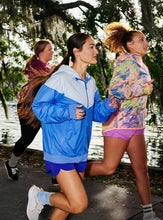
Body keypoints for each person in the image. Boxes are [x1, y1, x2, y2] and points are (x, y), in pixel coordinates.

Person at [26, 33, 117, 220]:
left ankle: (41, 198)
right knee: (79, 203)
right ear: (76, 51)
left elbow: (97, 115)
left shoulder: (90, 83)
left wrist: (111, 103)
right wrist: (67, 112)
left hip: (80, 150)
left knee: (69, 203)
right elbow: (39, 107)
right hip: (59, 150)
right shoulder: (60, 78)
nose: (96, 51)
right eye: (91, 47)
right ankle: (39, 196)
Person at [85, 22, 160, 220]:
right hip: (119, 123)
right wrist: (142, 89)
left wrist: (142, 90)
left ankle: (149, 214)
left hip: (135, 124)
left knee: (141, 169)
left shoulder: (140, 63)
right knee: (109, 167)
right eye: (141, 40)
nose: (146, 42)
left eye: (145, 39)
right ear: (130, 45)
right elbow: (116, 91)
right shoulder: (126, 62)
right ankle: (68, 171)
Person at [4, 39, 55, 182]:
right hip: (28, 109)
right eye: (49, 49)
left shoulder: (49, 67)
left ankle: (55, 173)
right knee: (27, 138)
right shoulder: (36, 66)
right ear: (40, 52)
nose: (52, 52)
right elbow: (48, 79)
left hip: (44, 108)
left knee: (52, 138)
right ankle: (11, 163)